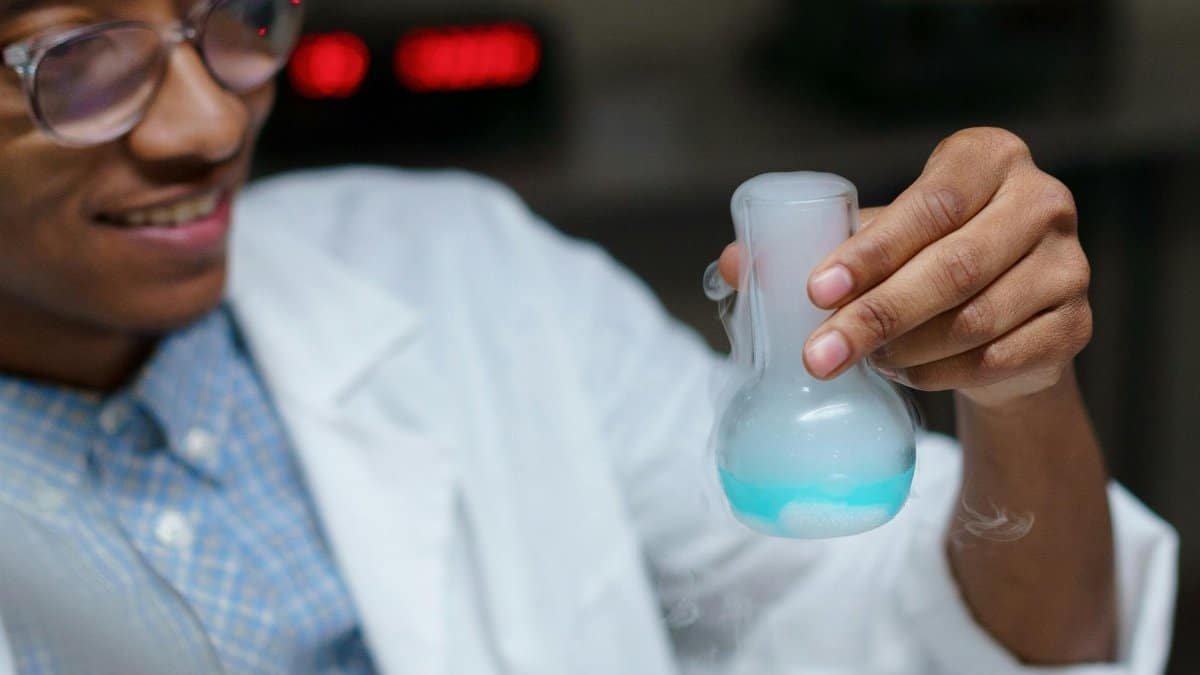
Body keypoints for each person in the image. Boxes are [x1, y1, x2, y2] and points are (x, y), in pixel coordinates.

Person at [0, 1, 1177, 674]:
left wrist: (1016, 396)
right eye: (77, 63)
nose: (210, 124)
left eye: (236, 20)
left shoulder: (460, 269)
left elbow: (1021, 640)